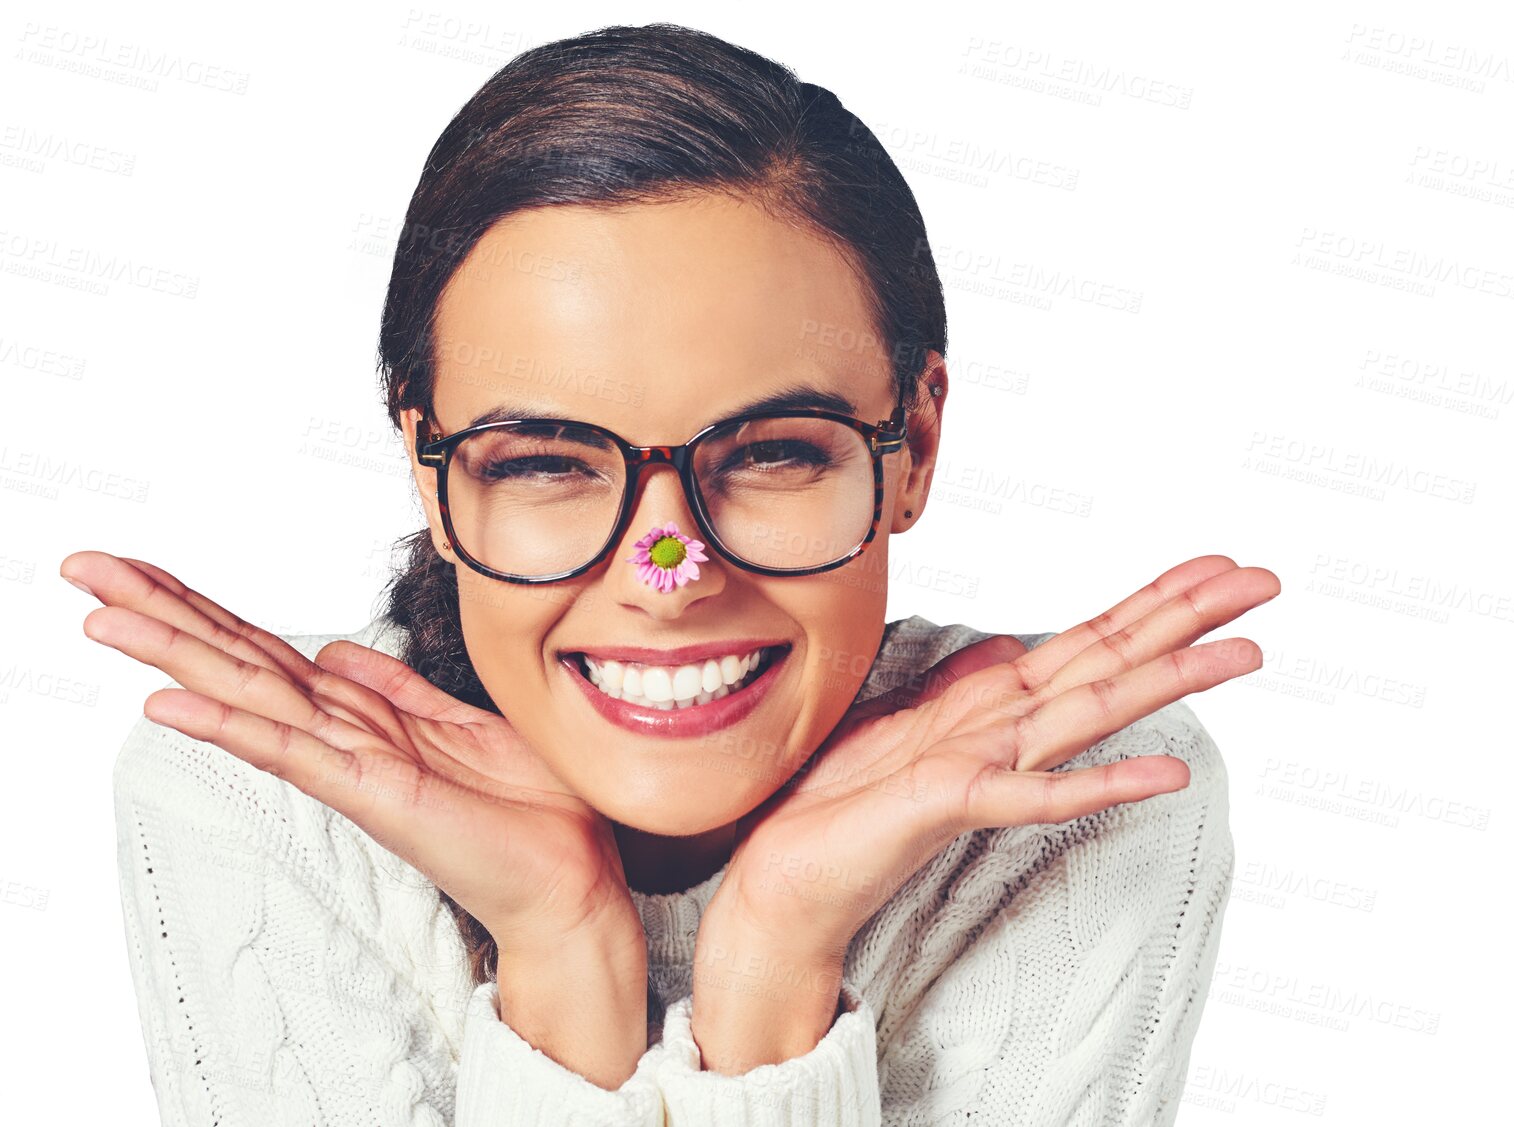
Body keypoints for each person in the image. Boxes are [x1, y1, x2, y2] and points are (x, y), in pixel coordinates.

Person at [64, 21, 1280, 1125]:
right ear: (431, 474)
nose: (667, 571)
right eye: (545, 459)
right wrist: (559, 951)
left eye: (770, 452)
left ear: (916, 441)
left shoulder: (1069, 795)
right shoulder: (263, 794)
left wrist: (772, 962)